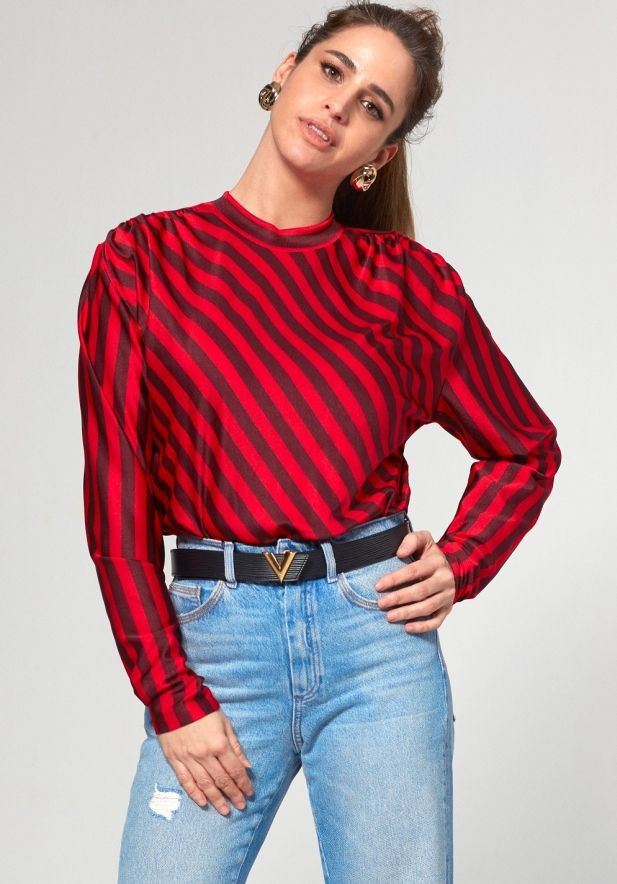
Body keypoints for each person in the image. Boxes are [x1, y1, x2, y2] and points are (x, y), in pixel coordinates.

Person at [76, 2, 561, 881]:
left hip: (375, 649)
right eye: (332, 70)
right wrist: (169, 693)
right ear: (287, 70)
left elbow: (523, 447)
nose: (339, 104)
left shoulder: (408, 286)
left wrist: (462, 560)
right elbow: (117, 504)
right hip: (215, 650)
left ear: (381, 152)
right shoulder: (142, 261)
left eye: (373, 105)